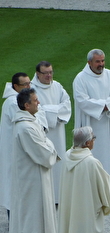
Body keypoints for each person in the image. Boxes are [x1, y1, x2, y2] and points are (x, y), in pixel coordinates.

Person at [57, 126, 110, 233]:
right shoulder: (91, 163)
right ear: (88, 143)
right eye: (93, 138)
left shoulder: (68, 156)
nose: (94, 140)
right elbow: (103, 187)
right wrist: (106, 202)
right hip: (87, 209)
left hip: (70, 207)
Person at [9, 88, 58, 233]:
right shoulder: (26, 127)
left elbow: (44, 141)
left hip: (30, 175)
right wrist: (51, 147)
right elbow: (43, 151)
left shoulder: (28, 122)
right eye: (35, 100)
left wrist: (47, 143)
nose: (38, 103)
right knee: (33, 212)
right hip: (33, 177)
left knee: (29, 210)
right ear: (26, 105)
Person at [0, 73, 47, 217]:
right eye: (25, 84)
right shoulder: (13, 102)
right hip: (14, 151)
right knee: (15, 186)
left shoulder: (21, 100)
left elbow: (40, 114)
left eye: (29, 83)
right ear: (15, 87)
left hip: (19, 148)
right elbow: (32, 119)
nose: (28, 87)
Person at [73, 48, 110, 187]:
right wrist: (104, 105)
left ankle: (106, 183)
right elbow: (82, 100)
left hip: (105, 122)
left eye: (102, 60)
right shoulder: (80, 78)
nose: (101, 64)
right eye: (97, 61)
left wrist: (105, 106)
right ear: (89, 62)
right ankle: (90, 184)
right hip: (89, 122)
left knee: (106, 151)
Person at [31, 61, 72, 203]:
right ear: (38, 74)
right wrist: (55, 110)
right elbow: (36, 111)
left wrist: (49, 110)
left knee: (59, 163)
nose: (49, 75)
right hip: (43, 134)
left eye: (51, 72)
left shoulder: (57, 86)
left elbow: (66, 106)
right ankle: (46, 199)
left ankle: (59, 196)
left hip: (58, 133)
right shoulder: (32, 90)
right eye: (45, 73)